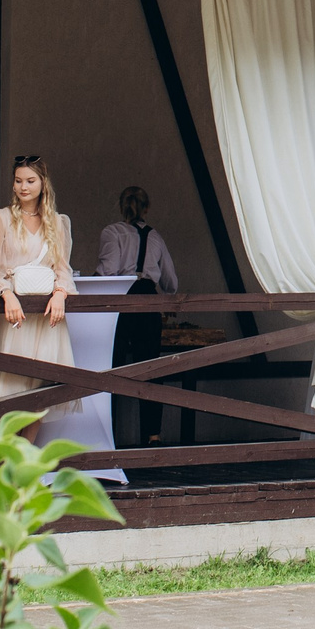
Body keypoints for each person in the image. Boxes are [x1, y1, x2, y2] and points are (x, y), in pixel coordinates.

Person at [0, 157, 74, 405]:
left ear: (43, 183)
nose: (24, 187)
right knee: (9, 389)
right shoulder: (0, 219)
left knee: (41, 392)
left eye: (30, 181)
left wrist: (60, 294)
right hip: (13, 315)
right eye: (18, 180)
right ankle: (6, 444)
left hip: (46, 316)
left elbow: (63, 269)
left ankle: (28, 445)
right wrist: (6, 294)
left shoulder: (57, 222)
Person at [97, 186, 178, 445]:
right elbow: (171, 282)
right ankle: (153, 434)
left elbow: (108, 271)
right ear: (146, 208)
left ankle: (108, 433)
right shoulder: (156, 237)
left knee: (112, 366)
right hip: (148, 301)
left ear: (122, 207)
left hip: (121, 299)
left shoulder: (112, 232)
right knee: (151, 367)